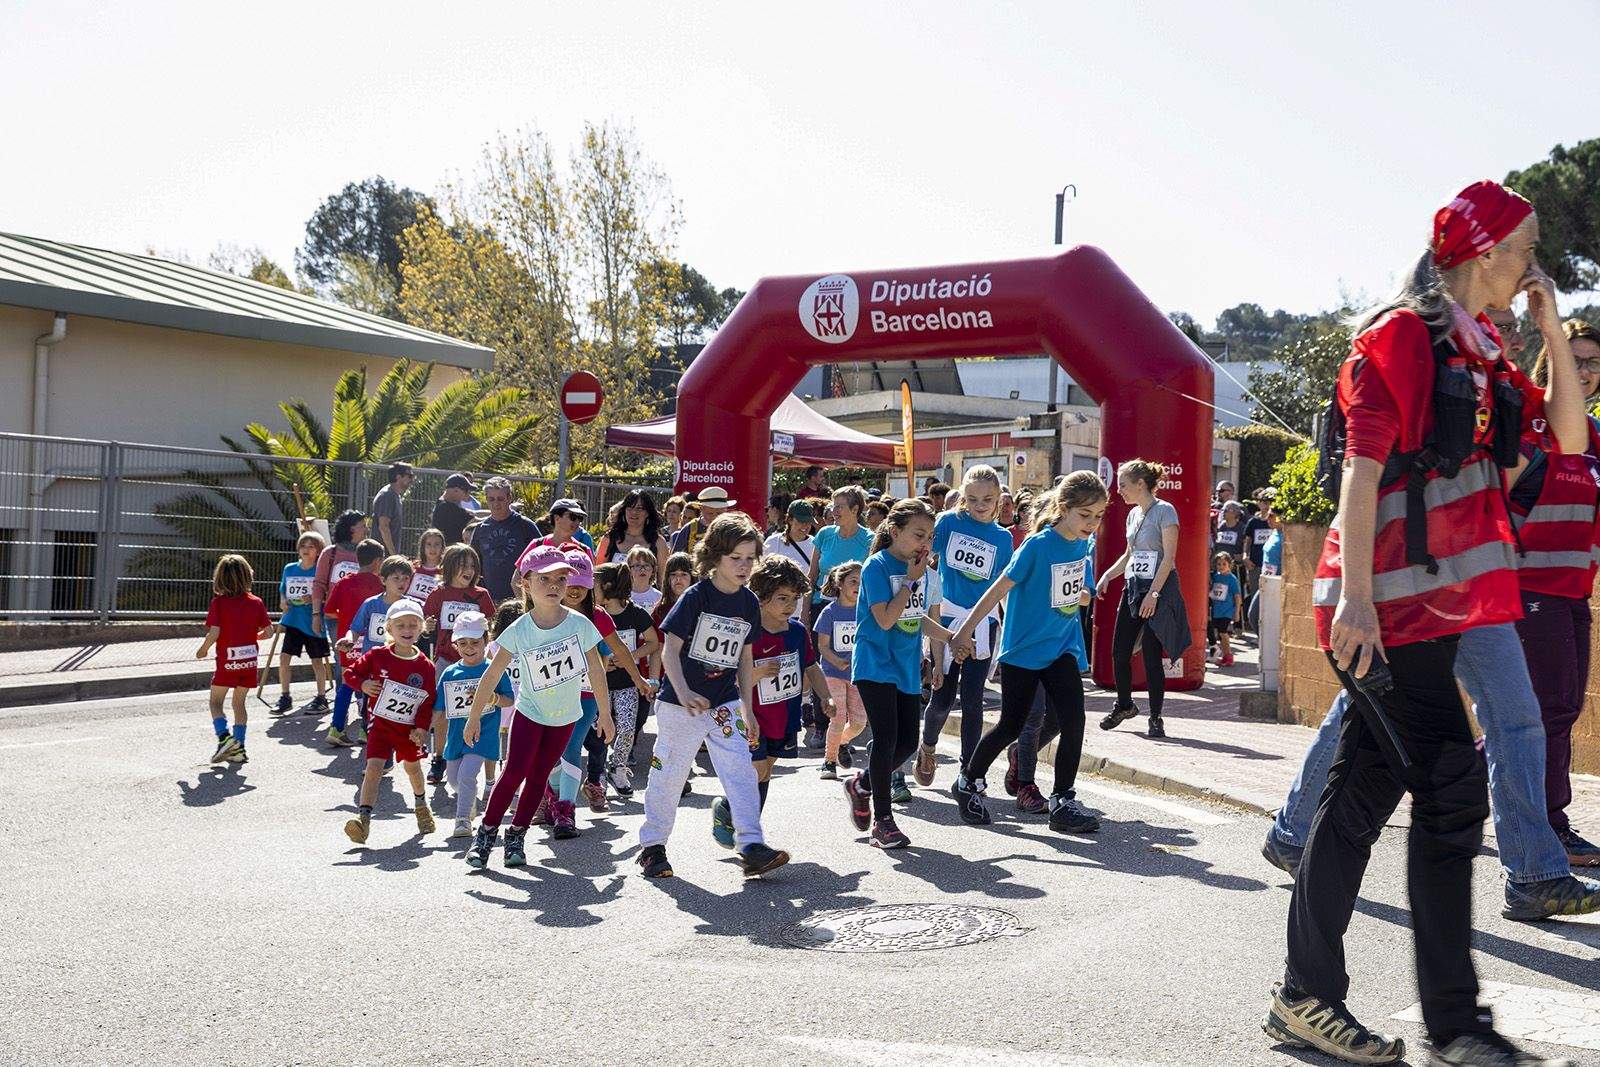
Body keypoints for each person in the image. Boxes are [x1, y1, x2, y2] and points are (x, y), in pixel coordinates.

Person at [1264, 180, 1588, 1066]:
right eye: (1522, 248)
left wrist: (1552, 323)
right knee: (1450, 787)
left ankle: (1307, 998)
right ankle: (1453, 1025)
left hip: (1434, 606)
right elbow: (1362, 472)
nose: (1531, 263)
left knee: (1364, 793)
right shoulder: (1403, 334)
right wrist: (1356, 600)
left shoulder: (1481, 349)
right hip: (1384, 605)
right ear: (1482, 253)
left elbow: (1564, 439)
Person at [948, 471, 1107, 833]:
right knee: (1012, 724)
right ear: (1064, 509)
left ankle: (1063, 800)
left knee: (1074, 720)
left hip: (1062, 646)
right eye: (1085, 515)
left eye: (1098, 516)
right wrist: (964, 631)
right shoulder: (1037, 545)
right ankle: (968, 781)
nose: (1092, 523)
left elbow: (1079, 590)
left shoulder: (1085, 545)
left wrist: (1083, 593)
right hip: (1023, 648)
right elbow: (998, 588)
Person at [636, 513, 791, 879]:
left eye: (750, 558)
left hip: (724, 703)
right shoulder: (696, 596)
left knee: (741, 771)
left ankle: (751, 844)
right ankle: (653, 847)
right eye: (735, 558)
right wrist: (685, 690)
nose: (743, 566)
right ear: (716, 557)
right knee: (669, 776)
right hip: (680, 704)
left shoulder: (749, 603)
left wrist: (748, 710)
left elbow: (745, 657)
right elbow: (670, 649)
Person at [1511, 317, 1600, 866]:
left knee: (1555, 709)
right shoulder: (1528, 428)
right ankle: (1550, 823)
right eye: (1575, 358)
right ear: (1550, 360)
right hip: (1527, 586)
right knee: (1549, 707)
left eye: (1592, 361)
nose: (1584, 370)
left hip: (1573, 592)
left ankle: (1460, 792)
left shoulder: (1596, 438)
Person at [464, 544, 611, 870]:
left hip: (565, 717)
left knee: (539, 776)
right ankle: (486, 836)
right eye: (544, 579)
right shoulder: (520, 629)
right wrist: (474, 715)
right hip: (530, 714)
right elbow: (492, 673)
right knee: (514, 772)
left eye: (561, 578)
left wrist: (606, 713)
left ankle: (516, 837)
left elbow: (596, 669)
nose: (555, 585)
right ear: (525, 584)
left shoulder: (580, 624)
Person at [841, 498, 959, 850]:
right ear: (895, 532)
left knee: (908, 742)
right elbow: (886, 619)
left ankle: (861, 784)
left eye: (930, 536)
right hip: (875, 663)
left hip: (906, 665)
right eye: (918, 534)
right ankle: (883, 821)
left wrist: (950, 638)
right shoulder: (877, 566)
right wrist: (909, 580)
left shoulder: (918, 571)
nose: (925, 543)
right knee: (888, 737)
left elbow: (915, 618)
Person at [710, 554, 833, 848]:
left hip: (784, 714)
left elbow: (811, 667)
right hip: (750, 715)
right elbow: (728, 678)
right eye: (782, 598)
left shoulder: (798, 632)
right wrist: (759, 671)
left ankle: (734, 813)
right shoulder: (746, 632)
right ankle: (748, 833)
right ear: (762, 596)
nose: (790, 606)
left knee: (766, 771)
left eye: (795, 598)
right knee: (756, 770)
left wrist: (826, 695)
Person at [914, 464, 1013, 787]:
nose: (980, 505)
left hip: (984, 623)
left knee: (973, 699)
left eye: (987, 499)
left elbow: (1003, 585)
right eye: (972, 499)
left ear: (999, 498)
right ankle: (927, 747)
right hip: (947, 617)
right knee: (941, 697)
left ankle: (967, 771)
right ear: (963, 499)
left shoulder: (1003, 538)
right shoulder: (948, 523)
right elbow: (923, 556)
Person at [1096, 459, 1190, 739]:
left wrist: (1154, 595)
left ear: (1140, 484)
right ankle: (1124, 705)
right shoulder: (1133, 515)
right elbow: (1130, 555)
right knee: (1119, 651)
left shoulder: (1165, 511)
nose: (1119, 491)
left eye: (1123, 485)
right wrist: (1107, 576)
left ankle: (1156, 717)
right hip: (1134, 587)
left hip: (1159, 588)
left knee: (1151, 655)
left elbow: (1169, 558)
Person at [341, 600, 438, 844]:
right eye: (401, 625)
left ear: (421, 628)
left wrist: (421, 728)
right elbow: (350, 674)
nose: (407, 630)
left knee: (413, 769)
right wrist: (362, 684)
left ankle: (420, 805)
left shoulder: (425, 666)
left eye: (413, 625)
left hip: (407, 731)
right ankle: (363, 821)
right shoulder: (376, 656)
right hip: (380, 727)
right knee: (373, 769)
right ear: (389, 629)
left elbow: (427, 702)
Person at [435, 610, 514, 838]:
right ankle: (468, 802)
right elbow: (439, 707)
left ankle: (462, 821)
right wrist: (422, 729)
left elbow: (509, 699)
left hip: (484, 735)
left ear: (486, 641)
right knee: (454, 780)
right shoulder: (450, 672)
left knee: (467, 774)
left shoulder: (494, 670)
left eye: (475, 642)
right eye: (463, 643)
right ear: (455, 644)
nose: (469, 648)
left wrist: (494, 699)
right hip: (456, 737)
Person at [197, 554, 273, 765]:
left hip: (226, 663)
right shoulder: (256, 602)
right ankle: (239, 748)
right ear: (248, 576)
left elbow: (214, 632)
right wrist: (252, 636)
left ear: (219, 578)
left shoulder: (219, 604)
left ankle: (224, 738)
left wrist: (203, 649)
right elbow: (269, 632)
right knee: (239, 704)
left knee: (215, 702)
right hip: (249, 662)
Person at [595, 561, 660, 797]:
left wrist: (629, 656)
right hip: (599, 686)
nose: (591, 589)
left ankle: (618, 768)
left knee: (626, 728)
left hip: (628, 685)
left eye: (595, 584)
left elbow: (654, 643)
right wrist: (604, 662)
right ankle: (597, 774)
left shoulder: (635, 614)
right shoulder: (593, 616)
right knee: (600, 731)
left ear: (608, 586)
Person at [322, 539, 387, 748]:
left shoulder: (344, 582)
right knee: (371, 683)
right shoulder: (380, 585)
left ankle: (336, 727)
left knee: (348, 682)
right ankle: (364, 728)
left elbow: (329, 611)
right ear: (378, 562)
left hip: (348, 640)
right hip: (371, 642)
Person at [814, 562, 866, 779]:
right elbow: (822, 646)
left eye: (862, 582)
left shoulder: (866, 610)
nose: (858, 585)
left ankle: (842, 741)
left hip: (858, 674)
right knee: (838, 716)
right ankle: (829, 761)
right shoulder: (829, 612)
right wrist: (837, 661)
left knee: (859, 722)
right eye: (853, 581)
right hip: (833, 672)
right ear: (840, 583)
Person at [275, 530, 330, 715]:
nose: (306, 550)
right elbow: (283, 589)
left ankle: (321, 697)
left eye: (311, 546)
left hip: (314, 622)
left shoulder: (320, 571)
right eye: (303, 546)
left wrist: (315, 600)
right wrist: (283, 600)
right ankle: (285, 696)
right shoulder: (289, 568)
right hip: (293, 621)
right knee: (284, 658)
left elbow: (327, 596)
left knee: (317, 661)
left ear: (318, 551)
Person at [469, 476, 542, 602]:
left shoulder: (525, 525)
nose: (496, 503)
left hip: (520, 597)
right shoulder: (481, 528)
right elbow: (473, 562)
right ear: (486, 499)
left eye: (500, 499)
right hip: (488, 598)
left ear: (509, 498)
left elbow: (542, 557)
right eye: (491, 499)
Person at [311, 509, 369, 665]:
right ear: (351, 529)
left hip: (363, 617)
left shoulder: (367, 554)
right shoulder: (330, 553)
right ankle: (341, 690)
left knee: (363, 659)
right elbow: (319, 585)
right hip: (336, 617)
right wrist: (316, 615)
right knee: (341, 661)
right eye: (363, 526)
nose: (366, 530)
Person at [596, 489, 671, 581]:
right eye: (630, 508)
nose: (634, 512)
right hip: (613, 595)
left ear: (647, 513)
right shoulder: (610, 538)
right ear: (624, 511)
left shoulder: (659, 542)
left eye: (639, 508)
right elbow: (598, 574)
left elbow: (663, 580)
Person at [762, 500, 816, 618]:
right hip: (774, 613)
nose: (805, 526)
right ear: (790, 520)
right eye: (801, 521)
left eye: (808, 522)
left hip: (804, 613)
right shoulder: (773, 542)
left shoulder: (816, 545)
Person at [669, 486, 735, 555]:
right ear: (701, 509)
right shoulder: (689, 529)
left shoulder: (732, 529)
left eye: (719, 513)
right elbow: (676, 561)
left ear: (725, 509)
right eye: (710, 513)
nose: (715, 517)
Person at [371, 461, 414, 556]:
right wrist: (393, 555)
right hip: (381, 556)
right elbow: (383, 527)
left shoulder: (395, 496)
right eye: (409, 476)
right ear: (398, 477)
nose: (412, 480)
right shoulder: (387, 495)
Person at [1208, 552, 1241, 667]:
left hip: (1226, 611)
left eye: (1224, 564)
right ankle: (1224, 656)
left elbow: (1237, 597)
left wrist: (1237, 612)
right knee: (1219, 633)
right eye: (1218, 564)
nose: (1221, 566)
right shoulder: (1216, 577)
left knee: (1223, 632)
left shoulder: (1232, 579)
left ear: (1230, 565)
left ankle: (1229, 655)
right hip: (1216, 610)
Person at [429, 472, 478, 545]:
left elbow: (473, 513)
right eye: (466, 491)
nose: (467, 494)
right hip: (451, 553)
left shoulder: (444, 504)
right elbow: (474, 520)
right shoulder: (447, 508)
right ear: (456, 490)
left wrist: (493, 512)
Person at [408, 529, 446, 604]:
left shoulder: (446, 571)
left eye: (437, 544)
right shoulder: (413, 567)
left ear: (442, 547)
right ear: (423, 547)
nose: (433, 548)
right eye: (429, 544)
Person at [626, 546, 662, 614]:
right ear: (629, 569)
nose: (642, 569)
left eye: (646, 565)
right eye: (637, 566)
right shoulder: (623, 595)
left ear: (653, 569)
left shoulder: (659, 597)